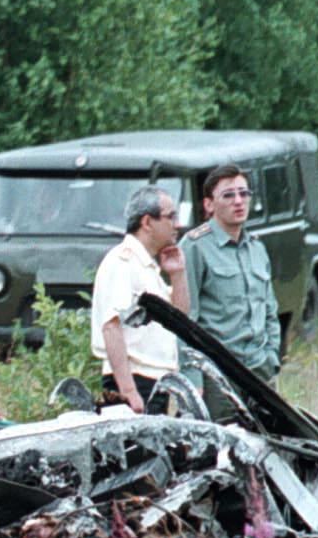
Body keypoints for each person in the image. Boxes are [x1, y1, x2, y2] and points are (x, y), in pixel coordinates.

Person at [89, 184, 189, 413]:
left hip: (157, 380)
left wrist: (178, 274)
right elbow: (111, 327)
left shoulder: (146, 265)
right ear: (147, 222)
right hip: (136, 380)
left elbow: (181, 320)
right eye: (170, 217)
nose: (177, 225)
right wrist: (128, 391)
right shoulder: (122, 262)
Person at [183, 163, 278, 396]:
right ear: (209, 204)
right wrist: (193, 377)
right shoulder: (195, 246)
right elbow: (185, 318)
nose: (238, 201)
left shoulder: (256, 248)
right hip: (218, 374)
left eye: (244, 193)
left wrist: (272, 357)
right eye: (228, 195)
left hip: (259, 370)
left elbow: (269, 310)